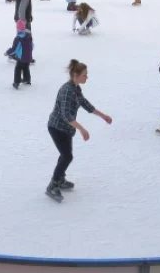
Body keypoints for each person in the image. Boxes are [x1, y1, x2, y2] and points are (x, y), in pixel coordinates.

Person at [45, 60, 113, 202]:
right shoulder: (66, 91)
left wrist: (103, 116)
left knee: (65, 155)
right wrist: (82, 129)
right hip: (56, 127)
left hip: (67, 129)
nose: (86, 77)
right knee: (67, 156)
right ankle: (52, 185)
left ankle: (61, 179)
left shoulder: (76, 88)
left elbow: (85, 104)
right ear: (76, 75)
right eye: (84, 75)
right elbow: (66, 115)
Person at [6, 20, 33, 89]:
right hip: (28, 56)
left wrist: (8, 52)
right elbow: (32, 46)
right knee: (26, 67)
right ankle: (27, 79)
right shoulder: (28, 36)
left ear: (18, 29)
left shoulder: (18, 38)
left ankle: (16, 82)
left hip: (21, 58)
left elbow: (14, 49)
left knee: (18, 68)